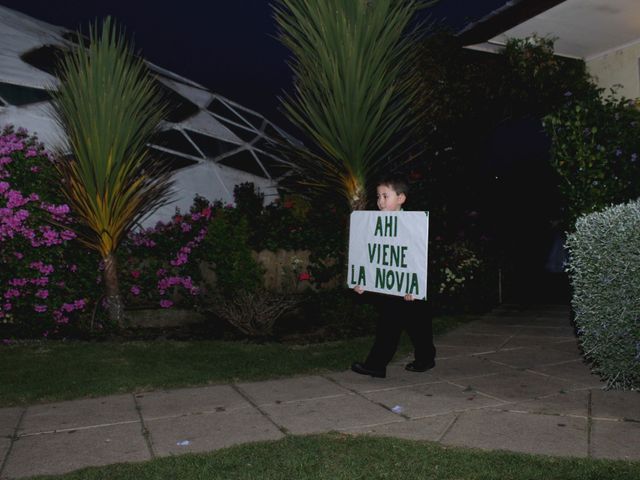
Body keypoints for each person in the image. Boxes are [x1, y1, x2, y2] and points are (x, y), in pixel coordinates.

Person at [351, 176, 436, 378]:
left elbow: (419, 257)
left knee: (418, 327)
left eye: (385, 195)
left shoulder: (414, 224)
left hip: (410, 289)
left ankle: (425, 359)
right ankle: (377, 365)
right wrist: (362, 281)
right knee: (389, 325)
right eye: (378, 196)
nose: (380, 200)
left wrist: (413, 286)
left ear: (401, 198)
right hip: (391, 288)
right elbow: (369, 256)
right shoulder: (371, 224)